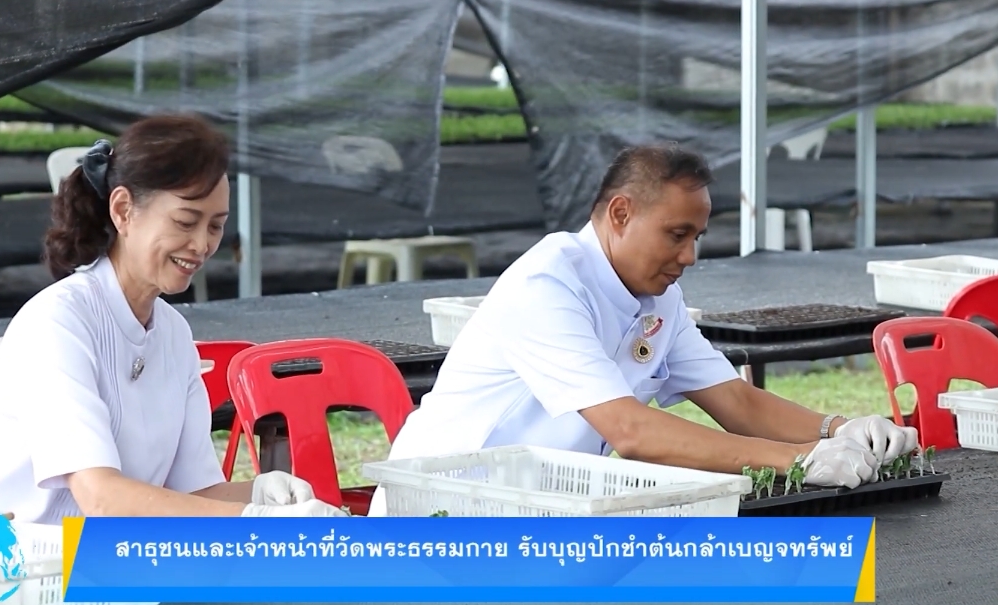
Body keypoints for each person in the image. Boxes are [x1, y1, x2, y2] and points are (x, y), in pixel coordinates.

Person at [367, 143, 917, 517]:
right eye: (677, 233)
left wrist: (840, 429)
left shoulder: (660, 298)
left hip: (536, 510)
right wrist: (794, 460)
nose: (691, 255)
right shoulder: (548, 283)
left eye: (697, 236)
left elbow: (735, 400)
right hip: (439, 514)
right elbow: (631, 432)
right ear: (621, 214)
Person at [0, 114, 347, 524]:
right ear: (124, 209)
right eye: (185, 222)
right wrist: (251, 517)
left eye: (216, 226)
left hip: (94, 558)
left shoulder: (172, 333)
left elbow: (190, 494)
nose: (202, 244)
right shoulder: (57, 323)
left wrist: (262, 495)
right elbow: (101, 499)